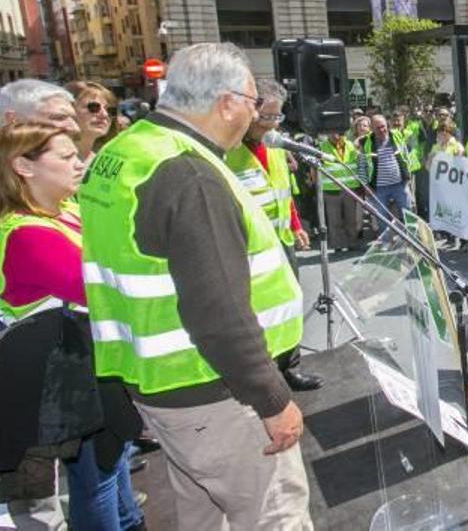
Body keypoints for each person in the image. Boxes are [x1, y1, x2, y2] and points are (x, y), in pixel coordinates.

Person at [78, 42, 313, 528]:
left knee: (203, 514)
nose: (254, 118)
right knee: (275, 515)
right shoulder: (189, 174)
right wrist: (272, 399)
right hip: (218, 392)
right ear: (226, 102)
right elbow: (219, 311)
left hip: (163, 387)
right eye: (252, 104)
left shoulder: (125, 151)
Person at [0, 123, 146, 531]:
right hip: (68, 376)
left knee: (112, 464)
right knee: (95, 479)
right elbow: (98, 289)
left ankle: (130, 521)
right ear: (23, 167)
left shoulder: (66, 210)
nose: (79, 163)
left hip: (92, 362)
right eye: (65, 158)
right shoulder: (26, 234)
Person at [223, 79, 322, 392]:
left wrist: (295, 225)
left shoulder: (276, 146)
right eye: (265, 117)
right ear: (250, 111)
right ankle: (259, 376)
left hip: (282, 243)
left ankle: (289, 366)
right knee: (254, 314)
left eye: (277, 118)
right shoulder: (227, 151)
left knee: (288, 305)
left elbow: (283, 192)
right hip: (246, 249)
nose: (270, 124)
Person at [361, 113, 414, 232]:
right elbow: (361, 166)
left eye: (383, 126)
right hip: (379, 188)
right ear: (372, 128)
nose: (382, 130)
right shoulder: (366, 142)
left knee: (408, 212)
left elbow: (405, 156)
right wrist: (366, 186)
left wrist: (408, 177)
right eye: (378, 127)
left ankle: (412, 238)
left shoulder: (396, 135)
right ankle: (386, 242)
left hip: (400, 184)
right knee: (381, 216)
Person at [316, 131, 365, 252]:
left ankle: (352, 243)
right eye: (332, 132)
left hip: (350, 188)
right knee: (334, 220)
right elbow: (315, 169)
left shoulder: (351, 145)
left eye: (338, 132)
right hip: (331, 189)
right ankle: (337, 244)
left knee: (351, 219)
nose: (335, 135)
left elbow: (358, 164)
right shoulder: (322, 147)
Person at [65, 80, 117, 160]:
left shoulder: (105, 162)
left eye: (110, 110)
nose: (105, 115)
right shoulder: (47, 161)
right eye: (94, 107)